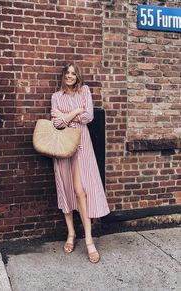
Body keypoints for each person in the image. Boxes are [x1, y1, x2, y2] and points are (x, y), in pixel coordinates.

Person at [51, 63, 110, 263]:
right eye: (67, 72)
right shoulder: (56, 96)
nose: (70, 76)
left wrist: (66, 115)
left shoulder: (84, 91)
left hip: (81, 145)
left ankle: (89, 240)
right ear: (63, 76)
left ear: (78, 76)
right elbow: (56, 123)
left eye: (73, 73)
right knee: (66, 188)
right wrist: (75, 112)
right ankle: (70, 233)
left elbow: (89, 116)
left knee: (80, 190)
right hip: (61, 146)